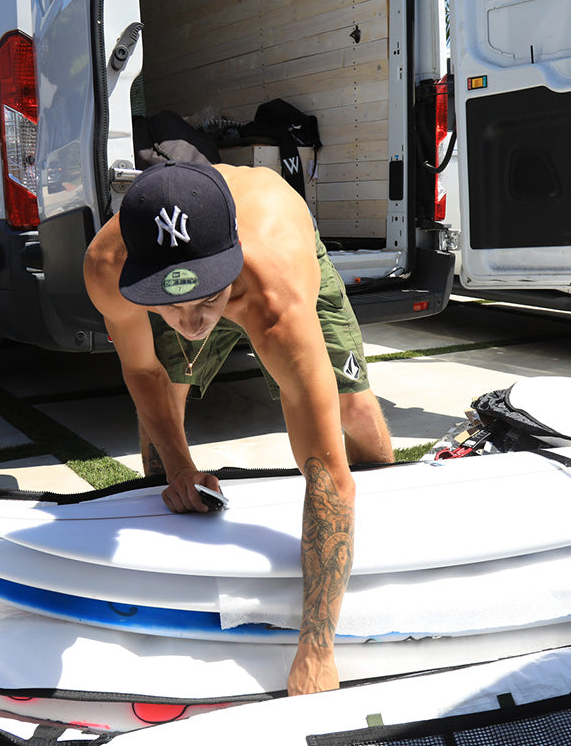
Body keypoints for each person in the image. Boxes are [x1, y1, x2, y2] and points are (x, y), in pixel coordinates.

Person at [83, 160, 393, 695]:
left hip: (279, 239)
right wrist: (179, 468)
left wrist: (316, 651)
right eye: (171, 305)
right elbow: (142, 370)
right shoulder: (106, 270)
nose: (195, 322)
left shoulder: (276, 296)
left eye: (208, 300)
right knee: (164, 404)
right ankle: (175, 505)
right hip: (211, 249)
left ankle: (386, 537)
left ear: (232, 274)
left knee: (352, 414)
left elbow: (325, 475)